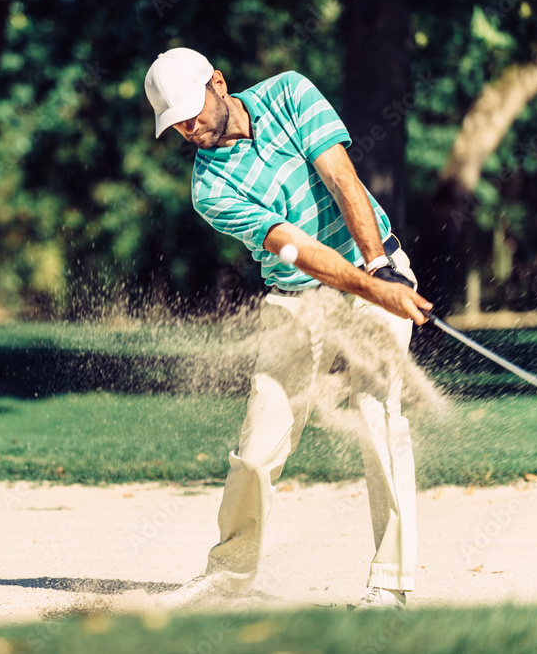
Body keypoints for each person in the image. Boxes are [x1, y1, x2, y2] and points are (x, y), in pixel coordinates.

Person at [143, 47, 434, 609]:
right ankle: (229, 574)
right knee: (258, 448)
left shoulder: (290, 93)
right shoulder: (209, 190)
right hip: (297, 297)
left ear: (218, 83)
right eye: (174, 123)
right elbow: (294, 247)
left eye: (191, 112)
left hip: (375, 262)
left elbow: (342, 178)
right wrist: (370, 286)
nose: (187, 128)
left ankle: (391, 584)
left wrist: (378, 269)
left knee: (377, 415)